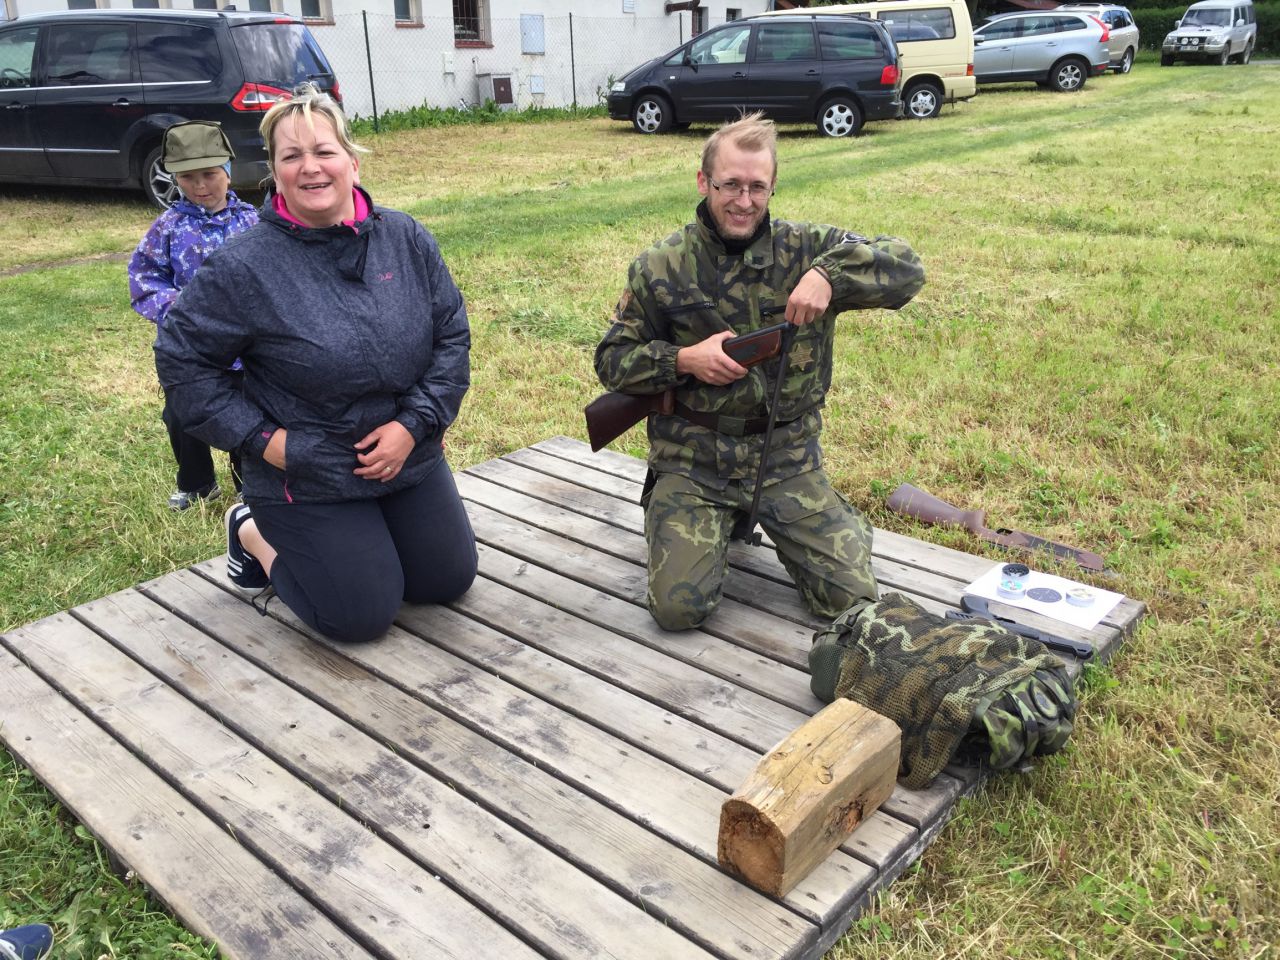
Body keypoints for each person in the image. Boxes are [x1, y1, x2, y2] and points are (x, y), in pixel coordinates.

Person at [154, 83, 477, 643]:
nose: (310, 167)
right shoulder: (243, 267)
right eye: (291, 156)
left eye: (324, 151)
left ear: (352, 161)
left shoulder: (404, 237)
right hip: (306, 470)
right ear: (274, 174)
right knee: (359, 616)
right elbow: (183, 362)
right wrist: (266, 442)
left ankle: (375, 531)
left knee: (444, 581)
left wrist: (416, 424)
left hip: (405, 452)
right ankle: (251, 533)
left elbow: (451, 334)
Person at [594, 113, 925, 631]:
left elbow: (906, 266)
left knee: (850, 599)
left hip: (785, 459)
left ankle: (830, 522)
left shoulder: (809, 249)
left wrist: (828, 276)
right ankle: (682, 517)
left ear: (772, 187)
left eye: (757, 187)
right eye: (730, 185)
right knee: (678, 610)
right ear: (703, 182)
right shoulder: (660, 266)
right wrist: (684, 360)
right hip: (694, 463)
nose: (744, 201)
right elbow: (612, 360)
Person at [129, 121, 259, 510]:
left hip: (244, 350)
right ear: (175, 179)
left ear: (228, 172)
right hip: (188, 349)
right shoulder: (167, 227)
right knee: (182, 415)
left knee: (247, 413)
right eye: (188, 177)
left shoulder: (252, 221)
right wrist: (180, 310)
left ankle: (250, 483)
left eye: (210, 174)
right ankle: (197, 483)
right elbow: (143, 278)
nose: (200, 186)